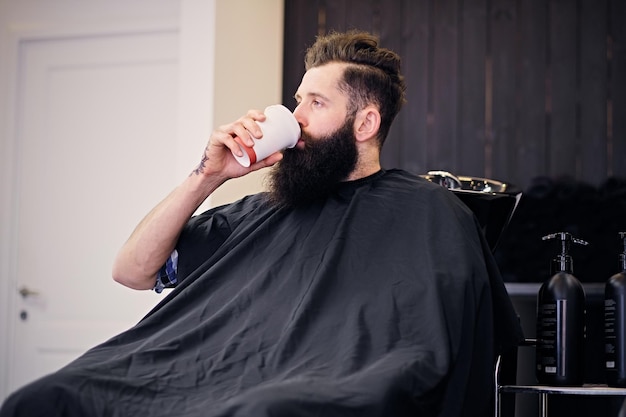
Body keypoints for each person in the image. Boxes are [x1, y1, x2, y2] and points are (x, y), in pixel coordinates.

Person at [1, 30, 523, 417]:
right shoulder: (260, 211)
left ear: (365, 123)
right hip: (195, 382)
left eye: (315, 103)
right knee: (47, 398)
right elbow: (132, 271)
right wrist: (208, 177)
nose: (294, 116)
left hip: (297, 394)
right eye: (297, 99)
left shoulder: (429, 214)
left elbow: (437, 354)